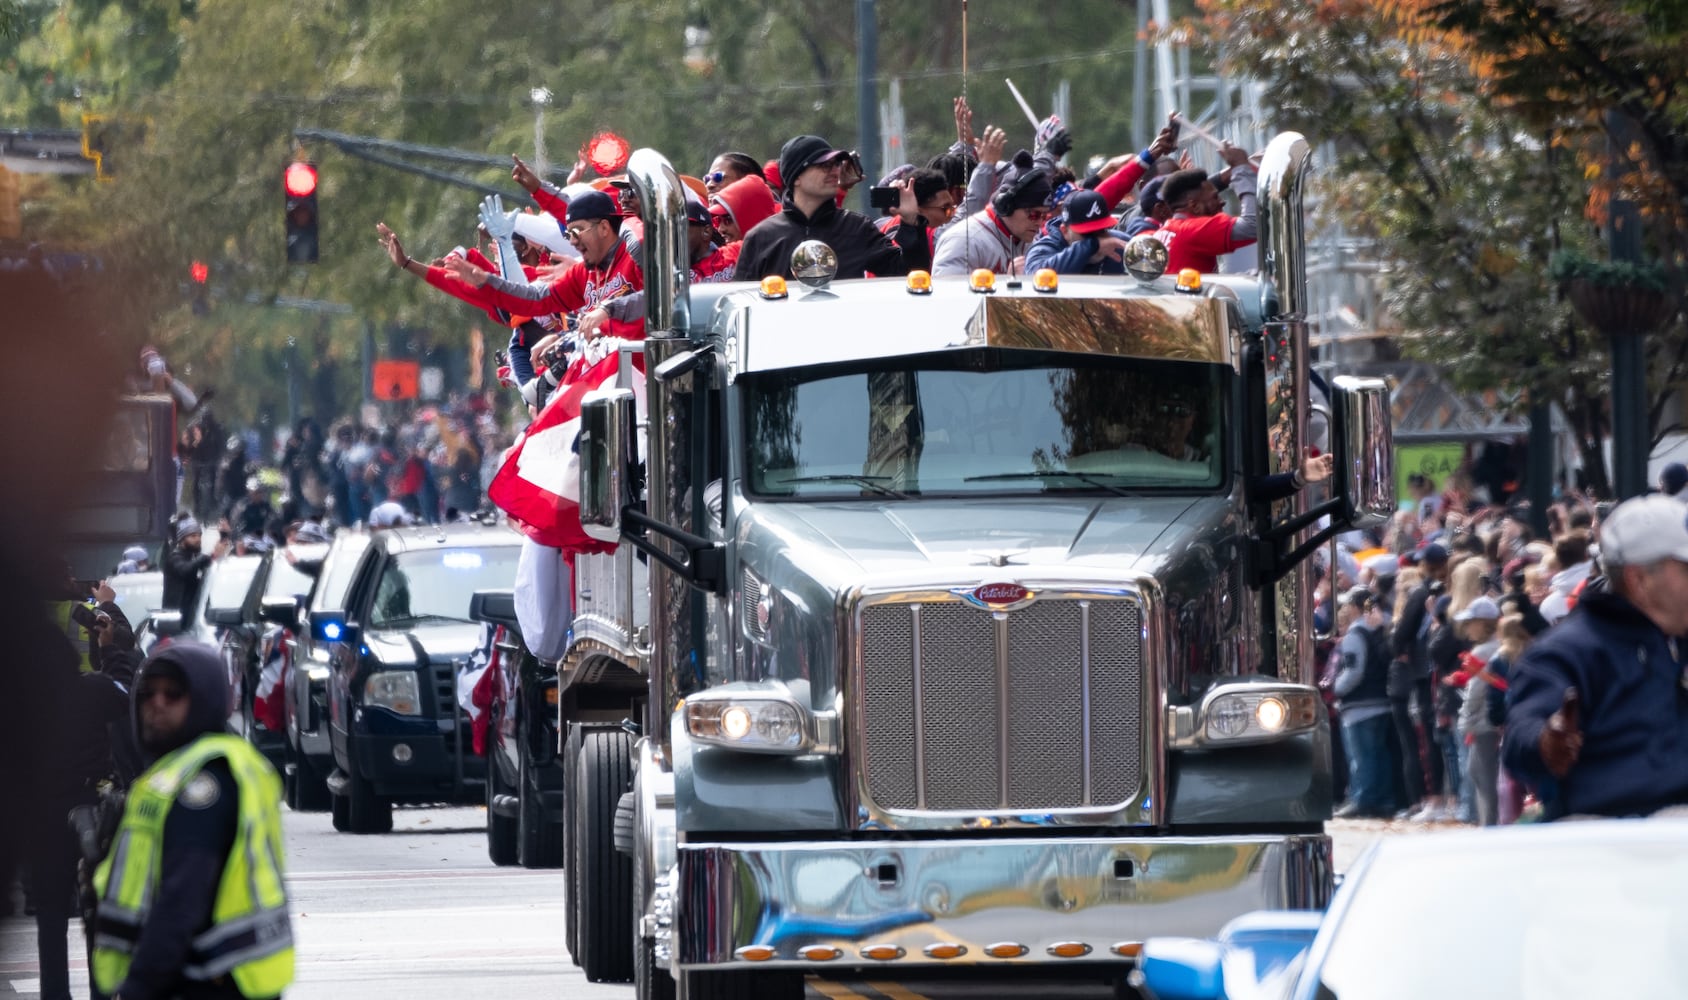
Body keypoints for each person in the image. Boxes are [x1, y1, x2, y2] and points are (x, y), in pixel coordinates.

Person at [91, 643, 294, 1000]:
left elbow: (181, 900)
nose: (158, 703)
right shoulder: (172, 773)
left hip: (207, 979)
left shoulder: (204, 781)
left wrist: (140, 986)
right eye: (147, 693)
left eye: (174, 694)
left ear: (204, 700)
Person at [1504, 495, 1688, 818]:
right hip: (1605, 842)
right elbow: (1522, 734)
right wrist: (1545, 742)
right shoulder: (1569, 651)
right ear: (1639, 580)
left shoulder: (1677, 639)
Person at [735, 134, 933, 281]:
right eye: (823, 165)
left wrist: (911, 222)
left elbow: (910, 274)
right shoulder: (761, 237)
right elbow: (742, 300)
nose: (834, 171)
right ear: (796, 178)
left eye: (836, 163)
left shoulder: (856, 227)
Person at [1332, 588, 1395, 818]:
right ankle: (1384, 799)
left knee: (1361, 757)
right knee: (1380, 754)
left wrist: (1336, 688)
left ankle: (1362, 799)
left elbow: (1353, 671)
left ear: (1355, 607)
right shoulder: (1383, 628)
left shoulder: (1355, 634)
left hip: (1359, 706)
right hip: (1382, 702)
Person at [931, 158, 1053, 276]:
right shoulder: (963, 241)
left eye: (1044, 216)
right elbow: (948, 295)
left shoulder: (1031, 243)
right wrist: (1006, 283)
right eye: (1034, 214)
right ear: (1006, 207)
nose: (1040, 223)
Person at [1151, 142, 1259, 275]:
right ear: (1194, 206)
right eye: (1214, 197)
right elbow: (1253, 225)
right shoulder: (1192, 230)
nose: (1222, 202)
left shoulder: (1163, 232)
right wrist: (1241, 168)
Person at [1024, 190, 1130, 275]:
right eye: (1087, 234)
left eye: (1102, 230)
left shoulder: (1119, 242)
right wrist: (1091, 246)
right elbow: (1035, 275)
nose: (1100, 240)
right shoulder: (1046, 247)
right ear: (1064, 231)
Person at [162, 518, 226, 626]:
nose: (198, 539)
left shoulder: (193, 557)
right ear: (182, 540)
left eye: (199, 535)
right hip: (176, 623)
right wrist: (204, 558)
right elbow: (185, 570)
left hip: (194, 620)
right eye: (193, 536)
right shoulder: (175, 558)